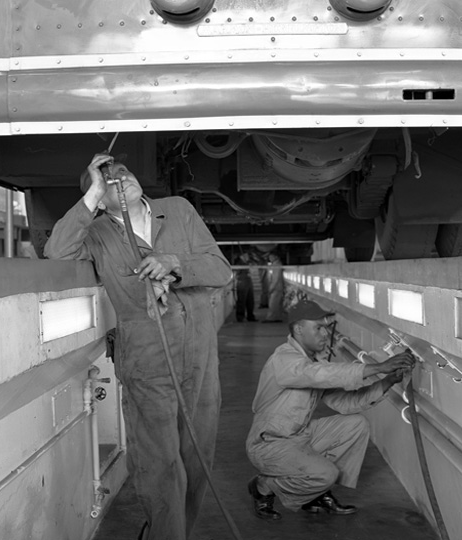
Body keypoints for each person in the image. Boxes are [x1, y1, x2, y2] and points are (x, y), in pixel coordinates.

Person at [44, 153, 231, 540]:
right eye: (107, 181)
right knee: (160, 464)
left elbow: (220, 269)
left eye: (123, 173)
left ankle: (177, 532)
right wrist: (93, 192)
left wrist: (173, 263)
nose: (120, 179)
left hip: (199, 356)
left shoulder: (177, 211)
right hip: (147, 362)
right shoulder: (96, 234)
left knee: (197, 460)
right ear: (98, 196)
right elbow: (56, 253)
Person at [245, 300, 416, 520]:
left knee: (356, 424)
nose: (325, 334)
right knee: (325, 474)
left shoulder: (312, 361)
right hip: (270, 444)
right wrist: (378, 367)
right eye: (318, 327)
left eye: (326, 327)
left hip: (299, 436)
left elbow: (346, 402)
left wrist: (388, 381)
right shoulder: (284, 359)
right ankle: (264, 485)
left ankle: (316, 493)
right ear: (298, 329)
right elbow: (318, 374)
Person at [234, 252, 256, 322]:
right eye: (246, 255)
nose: (248, 257)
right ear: (242, 256)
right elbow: (236, 272)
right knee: (241, 300)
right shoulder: (239, 263)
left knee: (250, 300)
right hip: (242, 283)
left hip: (249, 282)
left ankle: (250, 316)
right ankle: (240, 317)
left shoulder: (247, 263)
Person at [262, 252, 284, 322]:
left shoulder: (277, 265)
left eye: (271, 257)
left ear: (275, 257)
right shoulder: (276, 264)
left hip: (276, 287)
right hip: (278, 287)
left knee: (273, 303)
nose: (270, 258)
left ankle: (270, 318)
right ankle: (277, 317)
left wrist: (271, 287)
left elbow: (276, 278)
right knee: (277, 303)